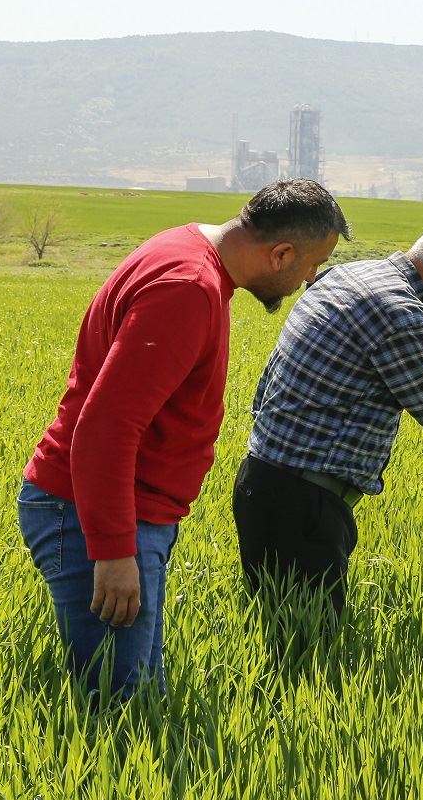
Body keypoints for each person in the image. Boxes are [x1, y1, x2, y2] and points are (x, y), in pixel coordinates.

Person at [17, 179, 349, 697]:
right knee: (119, 709)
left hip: (116, 512)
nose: (310, 279)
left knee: (141, 700)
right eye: (310, 265)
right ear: (281, 253)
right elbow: (107, 426)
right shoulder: (188, 287)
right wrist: (112, 550)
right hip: (97, 517)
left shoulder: (188, 249)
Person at [234, 204, 423, 621]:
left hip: (264, 479)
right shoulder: (399, 313)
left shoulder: (347, 275)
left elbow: (274, 375)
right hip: (303, 504)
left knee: (275, 638)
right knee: (306, 654)